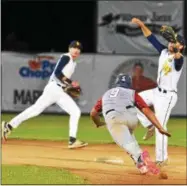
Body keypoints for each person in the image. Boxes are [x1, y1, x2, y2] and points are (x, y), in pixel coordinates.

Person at [2, 41, 88, 149]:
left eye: (78, 48)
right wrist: (71, 83)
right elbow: (57, 73)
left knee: (75, 112)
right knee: (36, 110)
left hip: (59, 91)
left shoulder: (72, 63)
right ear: (69, 48)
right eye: (74, 47)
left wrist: (68, 86)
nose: (76, 50)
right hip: (53, 89)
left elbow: (62, 78)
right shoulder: (66, 57)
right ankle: (9, 125)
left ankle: (72, 140)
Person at [90, 74, 171, 174]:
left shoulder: (106, 94)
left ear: (116, 83)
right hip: (132, 119)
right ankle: (140, 165)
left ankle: (141, 156)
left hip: (115, 119)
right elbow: (146, 110)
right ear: (129, 84)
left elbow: (93, 113)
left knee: (126, 143)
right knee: (129, 139)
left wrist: (98, 123)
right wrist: (159, 127)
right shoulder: (132, 93)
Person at [131, 18, 185, 166]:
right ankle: (149, 125)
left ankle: (162, 159)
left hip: (167, 96)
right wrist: (142, 25)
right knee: (134, 99)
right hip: (156, 92)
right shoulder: (163, 51)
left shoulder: (179, 59)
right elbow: (151, 37)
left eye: (176, 41)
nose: (172, 42)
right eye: (172, 40)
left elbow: (179, 59)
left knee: (161, 125)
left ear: (181, 46)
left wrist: (176, 50)